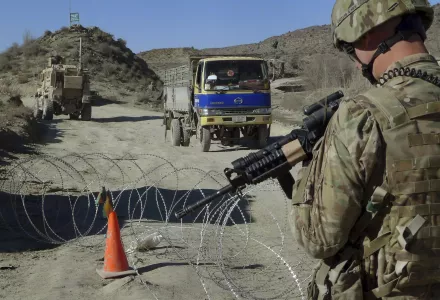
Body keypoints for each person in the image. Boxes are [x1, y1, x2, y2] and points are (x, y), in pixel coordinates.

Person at [289, 1, 440, 299]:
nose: (356, 64)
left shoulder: (362, 115)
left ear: (366, 35)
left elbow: (320, 239)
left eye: (350, 49)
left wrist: (310, 169)